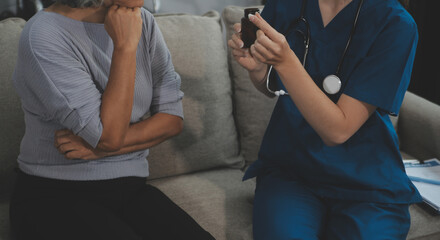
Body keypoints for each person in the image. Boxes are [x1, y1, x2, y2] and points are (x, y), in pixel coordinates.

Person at [9, 0, 215, 239]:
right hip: (54, 194)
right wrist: (125, 47)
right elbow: (109, 135)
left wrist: (103, 149)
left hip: (130, 189)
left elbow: (172, 119)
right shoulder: (43, 35)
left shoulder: (142, 20)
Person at [228, 0, 421, 239]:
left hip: (366, 182)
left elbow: (338, 131)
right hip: (292, 170)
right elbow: (273, 85)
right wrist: (257, 70)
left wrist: (286, 62)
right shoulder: (285, 5)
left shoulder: (395, 24)